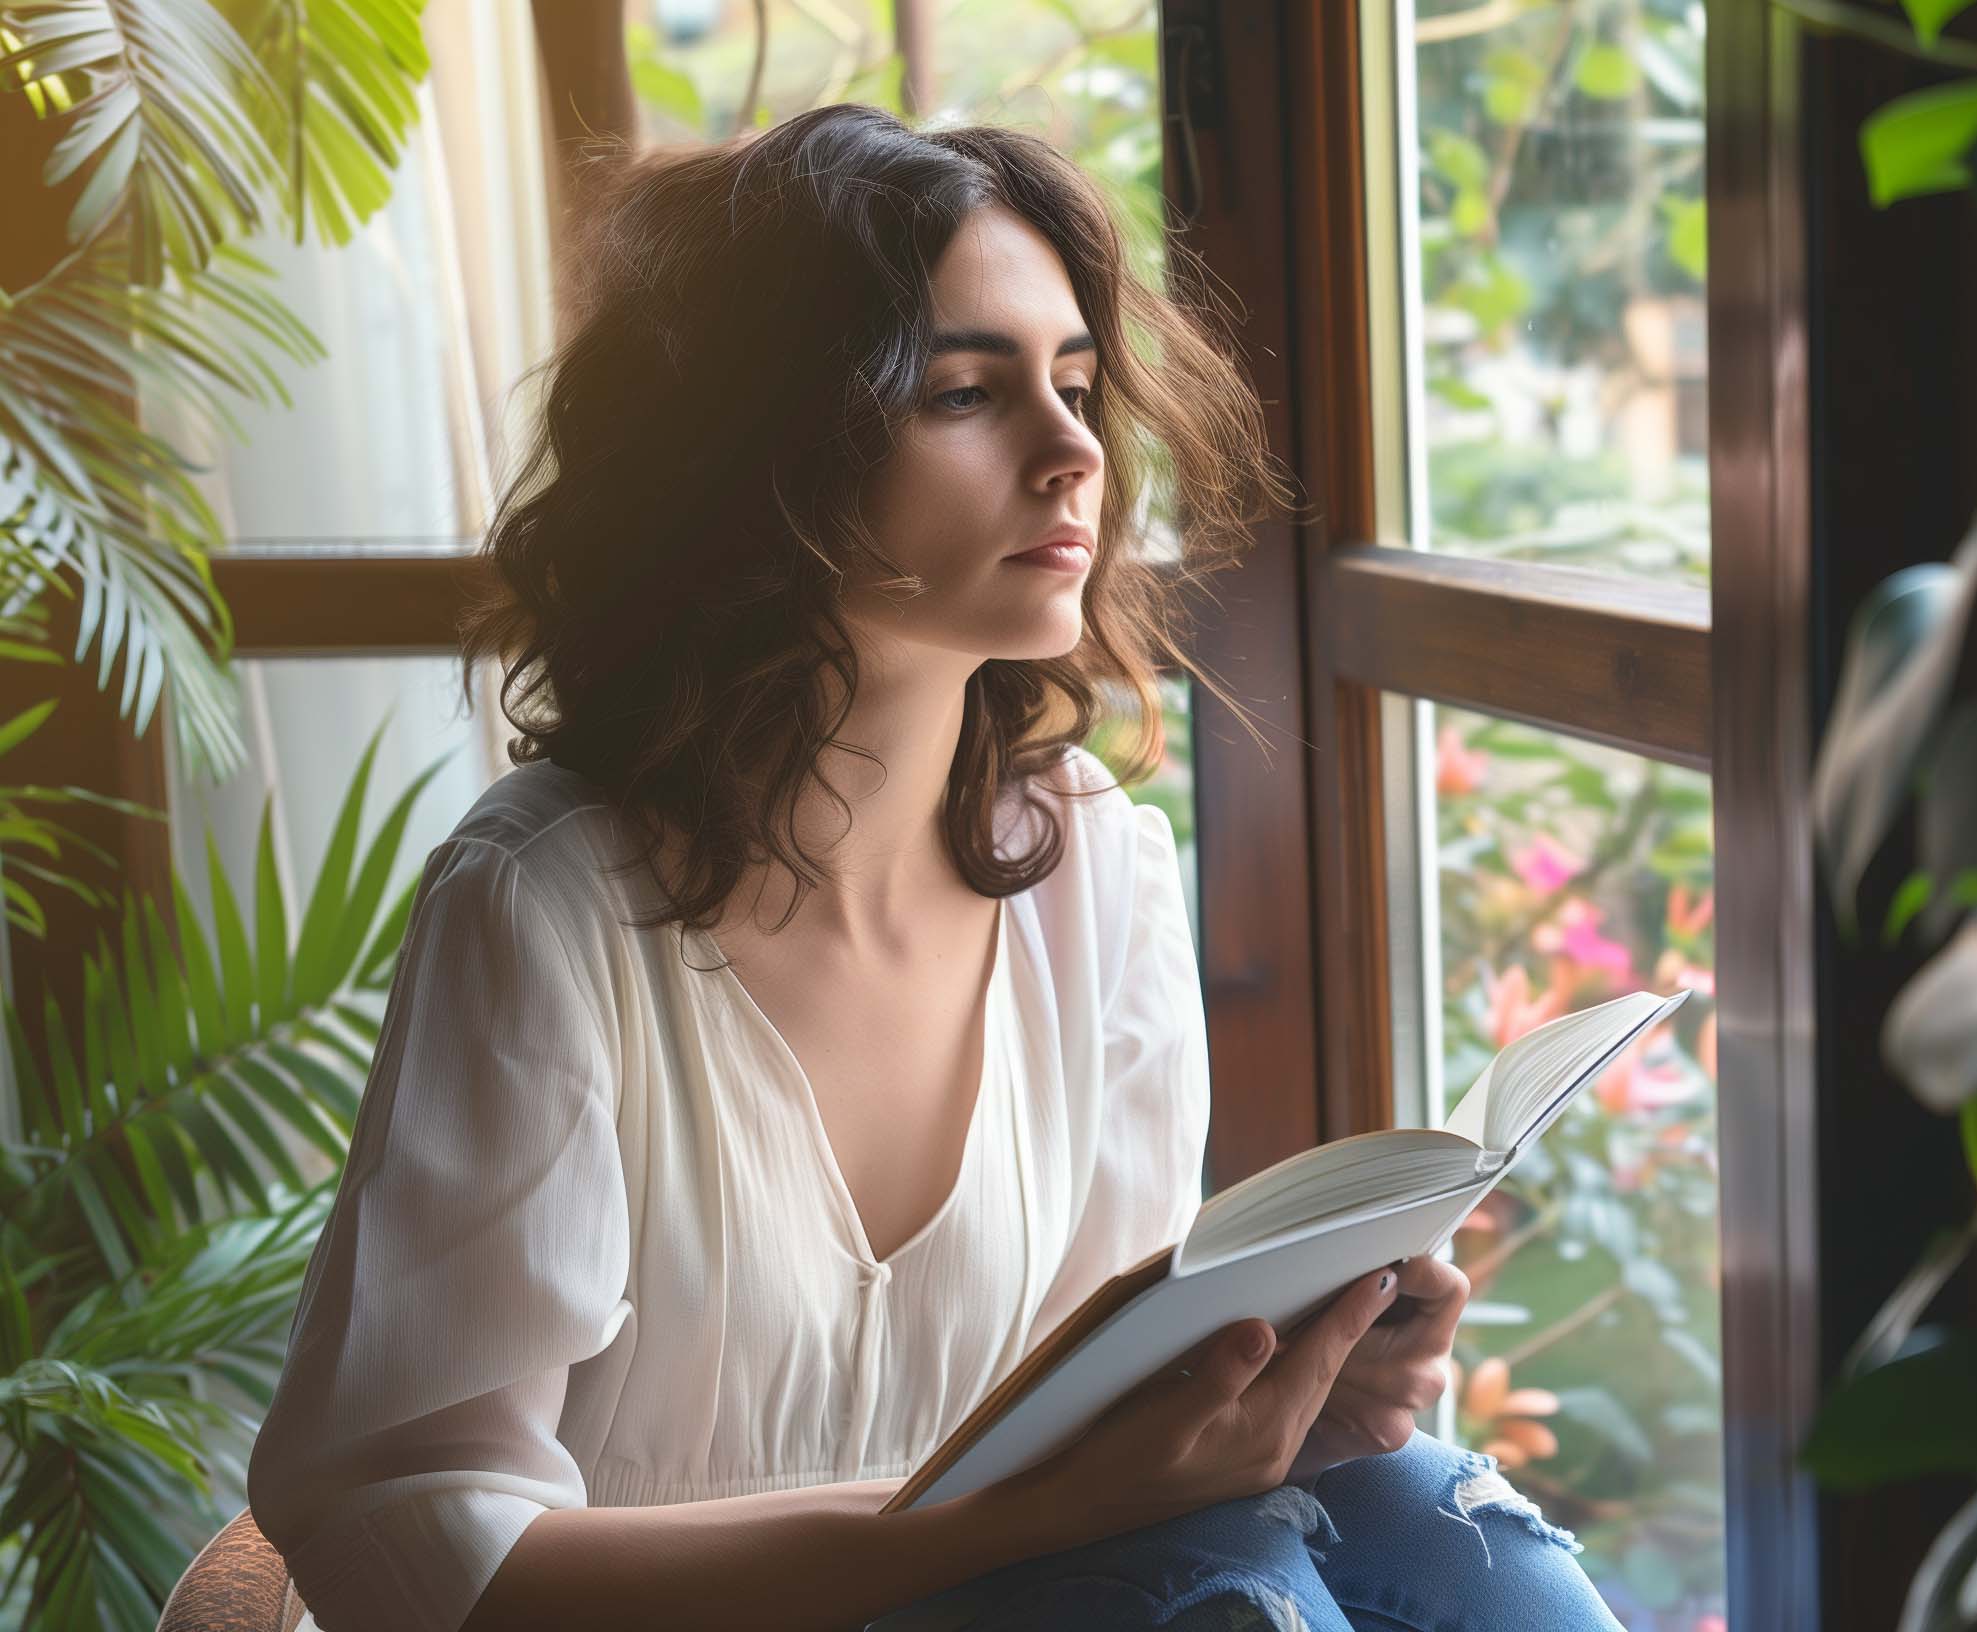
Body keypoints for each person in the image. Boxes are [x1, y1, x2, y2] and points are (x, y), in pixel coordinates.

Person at [245, 103, 1621, 1632]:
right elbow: (409, 1549)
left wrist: (1294, 1384)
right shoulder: (548, 909)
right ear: (759, 451)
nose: (1075, 449)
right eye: (968, 393)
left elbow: (1093, 1424)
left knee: (1440, 1530)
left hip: (1039, 1587)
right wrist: (1008, 1528)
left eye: (1080, 385)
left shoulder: (1091, 864)